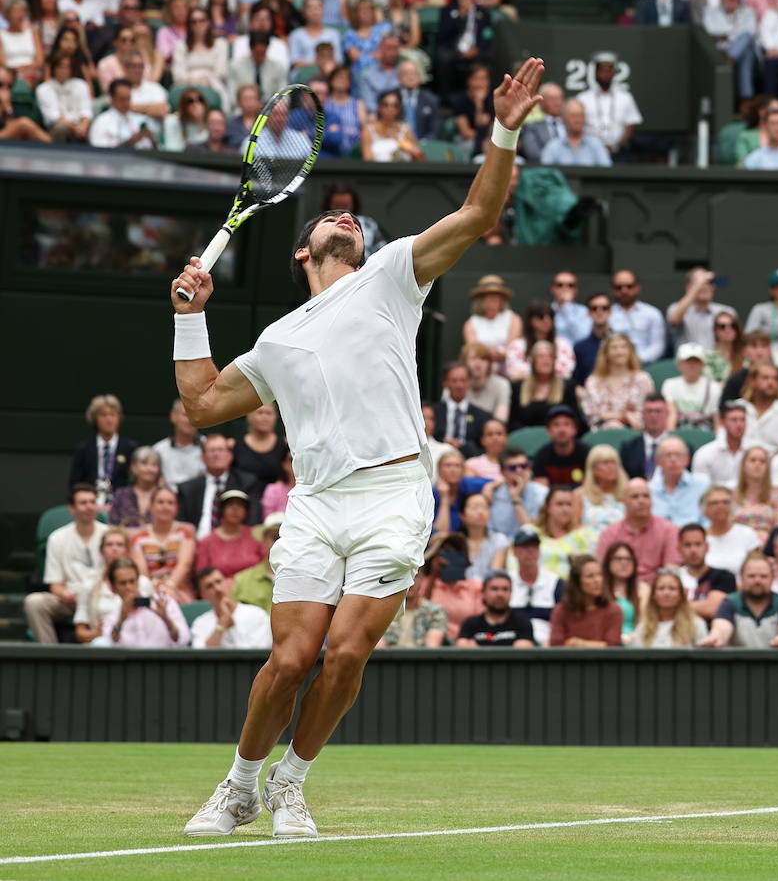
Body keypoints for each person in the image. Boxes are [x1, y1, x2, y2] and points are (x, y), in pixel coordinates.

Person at [176, 60, 548, 835]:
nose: (345, 218)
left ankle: (291, 783)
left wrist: (505, 128)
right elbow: (204, 402)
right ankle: (238, 786)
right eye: (330, 220)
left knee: (344, 655)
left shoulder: (388, 274)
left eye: (353, 218)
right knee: (288, 660)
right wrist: (189, 316)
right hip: (314, 505)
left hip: (391, 495)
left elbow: (480, 211)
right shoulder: (277, 340)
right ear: (302, 252)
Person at [23, 485, 105, 644]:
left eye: (93, 502)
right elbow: (55, 584)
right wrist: (65, 595)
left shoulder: (110, 535)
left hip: (102, 597)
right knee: (34, 603)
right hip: (70, 599)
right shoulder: (57, 538)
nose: (89, 506)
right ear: (72, 509)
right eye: (83, 503)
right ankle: (51, 656)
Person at [73, 527, 155, 644]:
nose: (114, 548)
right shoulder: (88, 585)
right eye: (109, 545)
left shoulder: (144, 583)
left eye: (119, 545)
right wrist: (94, 634)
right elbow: (80, 632)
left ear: (127, 551)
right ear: (101, 551)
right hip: (104, 645)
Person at [700, 553, 778, 648]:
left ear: (772, 578)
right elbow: (721, 627)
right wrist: (716, 637)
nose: (757, 580)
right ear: (741, 578)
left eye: (763, 576)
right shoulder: (730, 602)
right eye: (751, 576)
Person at [596, 478, 681, 583]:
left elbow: (671, 569)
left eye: (646, 496)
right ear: (624, 502)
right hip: (619, 589)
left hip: (656, 591)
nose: (641, 501)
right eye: (635, 497)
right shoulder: (610, 533)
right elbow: (602, 569)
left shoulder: (669, 530)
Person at [177, 434, 260, 535]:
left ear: (230, 456)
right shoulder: (188, 489)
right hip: (196, 545)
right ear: (203, 458)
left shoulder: (247, 483)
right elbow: (181, 526)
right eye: (211, 451)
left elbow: (253, 521)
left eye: (220, 450)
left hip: (234, 543)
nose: (216, 455)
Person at [99, 558, 191, 648]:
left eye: (132, 581)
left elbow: (184, 639)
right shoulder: (111, 612)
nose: (129, 587)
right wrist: (122, 618)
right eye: (123, 583)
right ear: (113, 587)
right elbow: (109, 644)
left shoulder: (163, 602)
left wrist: (166, 619)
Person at [131, 485, 197, 604]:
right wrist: (157, 588)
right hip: (149, 589)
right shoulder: (138, 537)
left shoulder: (185, 532)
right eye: (160, 502)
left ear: (176, 508)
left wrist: (169, 586)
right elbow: (142, 572)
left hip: (181, 590)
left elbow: (184, 565)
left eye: (170, 503)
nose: (165, 507)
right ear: (151, 506)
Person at [68, 393, 137, 504]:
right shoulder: (83, 449)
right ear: (95, 418)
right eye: (103, 415)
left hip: (121, 504)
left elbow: (134, 482)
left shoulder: (130, 448)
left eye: (113, 415)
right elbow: (75, 484)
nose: (109, 419)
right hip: (90, 504)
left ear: (119, 418)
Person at [579, 334, 654, 430]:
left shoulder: (642, 379)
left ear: (630, 351)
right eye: (614, 348)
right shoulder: (593, 382)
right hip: (602, 432)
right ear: (606, 353)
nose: (619, 352)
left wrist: (613, 416)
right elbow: (593, 416)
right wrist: (625, 416)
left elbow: (646, 413)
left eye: (623, 347)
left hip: (635, 431)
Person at [505, 527, 563, 646]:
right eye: (525, 547)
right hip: (512, 644)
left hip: (548, 643)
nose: (530, 551)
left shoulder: (555, 583)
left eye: (534, 547)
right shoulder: (506, 582)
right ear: (515, 551)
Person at [191, 566, 274, 650]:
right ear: (202, 595)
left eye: (219, 582)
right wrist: (221, 624)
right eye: (209, 586)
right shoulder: (200, 623)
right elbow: (201, 657)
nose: (217, 589)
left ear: (229, 582)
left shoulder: (257, 614)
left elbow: (259, 653)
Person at [548, 555, 623, 647]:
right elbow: (556, 645)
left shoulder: (613, 610)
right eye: (590, 576)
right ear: (577, 581)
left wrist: (577, 643)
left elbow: (613, 646)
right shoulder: (561, 611)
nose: (597, 580)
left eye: (600, 575)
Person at [578, 52, 643, 157]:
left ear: (614, 73)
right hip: (589, 153)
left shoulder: (625, 97)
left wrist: (617, 146)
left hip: (619, 153)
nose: (606, 74)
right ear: (595, 73)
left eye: (609, 70)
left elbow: (631, 124)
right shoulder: (583, 98)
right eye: (602, 70)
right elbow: (577, 124)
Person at [719, 330, 778, 408]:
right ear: (744, 351)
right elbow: (724, 409)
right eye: (754, 346)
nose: (759, 351)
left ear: (770, 350)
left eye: (764, 346)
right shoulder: (736, 379)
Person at [195, 490, 267, 581]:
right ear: (222, 509)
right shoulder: (207, 542)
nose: (235, 509)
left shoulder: (256, 536)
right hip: (220, 591)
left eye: (240, 505)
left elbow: (265, 567)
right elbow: (202, 576)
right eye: (230, 505)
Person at [509, 343, 581, 433]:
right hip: (526, 440)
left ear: (555, 361)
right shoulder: (518, 387)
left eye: (550, 356)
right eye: (541, 356)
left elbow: (575, 420)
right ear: (532, 361)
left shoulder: (567, 386)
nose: (546, 360)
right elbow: (512, 422)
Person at [630, 569, 708, 647]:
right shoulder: (643, 627)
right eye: (661, 588)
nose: (666, 593)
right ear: (653, 595)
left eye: (672, 588)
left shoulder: (696, 625)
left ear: (681, 595)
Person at [456, 571, 535, 647]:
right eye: (494, 589)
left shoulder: (522, 622)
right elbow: (462, 648)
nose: (500, 594)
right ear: (483, 592)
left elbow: (522, 653)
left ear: (511, 593)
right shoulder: (471, 624)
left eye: (505, 589)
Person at [462, 274, 522, 375]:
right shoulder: (471, 323)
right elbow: (473, 349)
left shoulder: (514, 319)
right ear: (480, 299)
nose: (494, 299)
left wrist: (503, 354)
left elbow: (514, 346)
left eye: (497, 295)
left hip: (508, 367)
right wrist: (488, 355)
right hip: (482, 368)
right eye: (489, 295)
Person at [665, 268, 736, 353]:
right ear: (688, 288)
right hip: (689, 363)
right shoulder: (676, 308)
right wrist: (698, 285)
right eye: (699, 283)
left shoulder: (727, 311)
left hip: (717, 362)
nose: (704, 286)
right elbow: (674, 319)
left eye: (708, 282)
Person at [676, 523, 736, 624]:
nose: (693, 550)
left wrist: (673, 607)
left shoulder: (724, 577)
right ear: (679, 548)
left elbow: (712, 609)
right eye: (687, 545)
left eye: (698, 544)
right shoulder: (672, 577)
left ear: (707, 547)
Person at [434, 360, 492, 455]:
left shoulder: (482, 416)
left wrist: (463, 446)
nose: (459, 385)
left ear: (469, 382)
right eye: (454, 381)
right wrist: (444, 443)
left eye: (463, 380)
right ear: (445, 383)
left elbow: (484, 448)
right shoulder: (434, 412)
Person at [608, 270, 666, 364]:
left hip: (646, 365)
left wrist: (637, 360)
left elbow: (658, 346)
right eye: (619, 287)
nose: (624, 291)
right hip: (613, 365)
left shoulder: (652, 313)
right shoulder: (607, 314)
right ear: (613, 290)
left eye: (629, 286)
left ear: (637, 288)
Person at [649, 435, 710, 525]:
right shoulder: (650, 489)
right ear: (657, 461)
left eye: (678, 455)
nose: (673, 459)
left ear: (687, 459)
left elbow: (709, 521)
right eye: (667, 455)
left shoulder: (702, 484)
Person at [232, 513, 283, 615]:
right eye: (276, 537)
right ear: (263, 542)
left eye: (284, 537)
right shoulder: (242, 580)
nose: (280, 542)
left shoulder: (304, 579)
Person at [701, 487, 760, 576]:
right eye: (714, 503)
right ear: (705, 508)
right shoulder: (699, 537)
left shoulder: (747, 533)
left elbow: (756, 569)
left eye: (725, 502)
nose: (720, 506)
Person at [488, 449, 546, 539]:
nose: (519, 471)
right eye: (512, 468)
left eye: (523, 466)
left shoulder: (543, 493)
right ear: (502, 472)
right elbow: (491, 532)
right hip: (502, 548)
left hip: (534, 545)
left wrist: (515, 499)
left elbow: (531, 532)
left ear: (529, 468)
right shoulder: (493, 495)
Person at [661, 343, 720, 430]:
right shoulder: (669, 384)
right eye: (688, 361)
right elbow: (671, 415)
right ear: (679, 364)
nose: (692, 365)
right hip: (678, 433)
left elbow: (717, 420)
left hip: (705, 433)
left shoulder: (713, 387)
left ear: (702, 364)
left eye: (696, 361)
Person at [741, 363, 778, 454]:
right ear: (752, 381)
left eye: (775, 379)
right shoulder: (737, 408)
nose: (771, 383)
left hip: (776, 465)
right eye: (765, 378)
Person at [570, 445, 627, 535]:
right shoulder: (579, 495)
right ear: (593, 469)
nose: (611, 467)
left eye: (614, 463)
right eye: (605, 463)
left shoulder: (627, 493)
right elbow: (574, 528)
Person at [232, 404, 289, 492]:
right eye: (260, 412)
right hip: (244, 498)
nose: (264, 417)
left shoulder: (285, 445)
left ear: (275, 417)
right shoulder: (233, 445)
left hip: (275, 501)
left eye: (269, 413)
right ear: (249, 416)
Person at [540, 97, 612, 167]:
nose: (578, 120)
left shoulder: (596, 145)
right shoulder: (553, 147)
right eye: (574, 116)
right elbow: (545, 174)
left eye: (581, 115)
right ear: (563, 118)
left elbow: (608, 173)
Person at [530, 406, 590, 487]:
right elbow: (541, 491)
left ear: (575, 429)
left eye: (566, 424)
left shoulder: (588, 454)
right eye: (556, 425)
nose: (561, 430)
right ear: (548, 431)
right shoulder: (541, 456)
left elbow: (591, 488)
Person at [692, 400, 748, 486]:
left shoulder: (753, 451)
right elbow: (700, 487)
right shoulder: (704, 453)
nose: (739, 425)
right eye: (734, 420)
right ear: (722, 422)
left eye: (742, 420)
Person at [152, 398, 204, 489]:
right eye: (185, 415)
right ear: (173, 416)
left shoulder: (209, 448)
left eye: (194, 415)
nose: (190, 420)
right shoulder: (158, 450)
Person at [619, 395, 674, 480]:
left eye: (658, 411)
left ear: (667, 414)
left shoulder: (680, 448)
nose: (653, 415)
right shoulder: (628, 449)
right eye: (649, 411)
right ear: (642, 415)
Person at [108, 445, 162, 531]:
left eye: (154, 465)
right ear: (133, 468)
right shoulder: (121, 495)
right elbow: (112, 526)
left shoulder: (164, 495)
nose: (150, 469)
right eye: (144, 463)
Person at [601, 541, 646, 642]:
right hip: (605, 644)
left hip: (634, 642)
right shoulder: (599, 589)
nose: (624, 563)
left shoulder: (643, 589)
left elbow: (645, 623)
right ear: (608, 562)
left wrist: (632, 638)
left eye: (628, 559)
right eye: (618, 559)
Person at [731, 446, 778, 538]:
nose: (757, 464)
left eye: (762, 461)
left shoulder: (776, 496)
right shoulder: (731, 495)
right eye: (753, 460)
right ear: (743, 466)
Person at [461, 343, 512, 423]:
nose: (478, 362)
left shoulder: (501, 384)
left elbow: (501, 420)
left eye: (483, 359)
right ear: (464, 362)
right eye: (473, 358)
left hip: (489, 432)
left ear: (490, 364)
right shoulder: (456, 383)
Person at [571, 292, 612, 386]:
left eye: (604, 308)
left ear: (610, 312)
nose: (599, 311)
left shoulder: (622, 345)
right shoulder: (580, 347)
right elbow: (578, 380)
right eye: (594, 308)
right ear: (588, 313)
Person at [549, 270, 592, 346]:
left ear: (576, 290)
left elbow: (583, 337)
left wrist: (567, 307)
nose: (565, 288)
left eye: (570, 285)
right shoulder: (546, 311)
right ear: (553, 289)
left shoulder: (584, 311)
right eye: (560, 285)